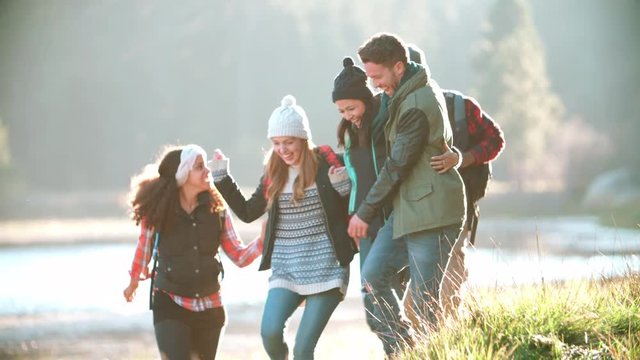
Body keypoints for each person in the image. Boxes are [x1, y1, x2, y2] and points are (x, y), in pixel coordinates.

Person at [210, 95, 357, 360]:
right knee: (269, 332)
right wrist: (222, 177)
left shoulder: (327, 164)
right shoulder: (273, 174)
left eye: (288, 142)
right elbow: (247, 212)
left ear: (302, 139)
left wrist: (343, 187)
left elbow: (353, 205)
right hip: (286, 267)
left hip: (327, 265)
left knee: (303, 349)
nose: (283, 149)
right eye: (276, 143)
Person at [347, 33, 466, 355]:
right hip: (408, 210)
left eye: (377, 76)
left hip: (432, 210)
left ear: (398, 67)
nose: (373, 84)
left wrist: (364, 213)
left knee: (426, 300)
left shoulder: (416, 102)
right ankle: (404, 348)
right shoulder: (399, 93)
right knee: (372, 279)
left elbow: (398, 164)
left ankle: (432, 353)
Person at [122, 144, 264, 360]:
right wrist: (133, 281)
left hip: (211, 307)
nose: (207, 171)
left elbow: (239, 256)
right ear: (183, 174)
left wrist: (263, 240)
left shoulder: (217, 209)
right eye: (200, 167)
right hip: (170, 302)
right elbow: (144, 247)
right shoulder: (159, 210)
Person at [407, 44, 506, 317]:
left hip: (456, 207)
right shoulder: (388, 112)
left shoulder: (460, 107)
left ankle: (448, 342)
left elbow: (496, 140)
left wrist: (463, 158)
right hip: (409, 213)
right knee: (411, 294)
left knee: (449, 278)